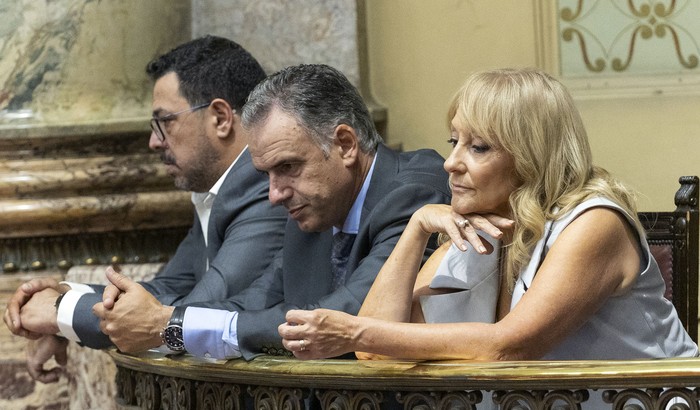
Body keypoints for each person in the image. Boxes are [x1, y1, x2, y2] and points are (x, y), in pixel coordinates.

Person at [277, 68, 699, 362]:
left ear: (531, 157)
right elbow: (374, 350)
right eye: (454, 141)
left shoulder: (594, 222)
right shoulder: (483, 223)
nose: (450, 163)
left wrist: (351, 331)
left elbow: (508, 348)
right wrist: (417, 225)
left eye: (478, 148)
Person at [92, 63, 453, 360]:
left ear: (345, 144)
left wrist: (168, 326)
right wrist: (163, 320)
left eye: (288, 167)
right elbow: (254, 301)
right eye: (266, 174)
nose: (275, 195)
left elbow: (341, 320)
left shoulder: (415, 193)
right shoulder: (313, 210)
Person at [3, 36, 288, 380]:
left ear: (220, 117)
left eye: (165, 122)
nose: (154, 142)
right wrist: (65, 292)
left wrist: (59, 311)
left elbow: (183, 317)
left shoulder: (266, 189)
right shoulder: (219, 190)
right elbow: (164, 291)